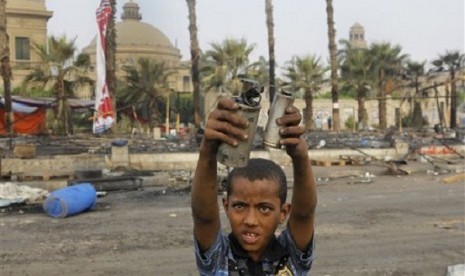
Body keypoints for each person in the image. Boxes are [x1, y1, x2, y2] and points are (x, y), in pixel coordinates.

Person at [191, 97, 317, 275]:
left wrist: (300, 155)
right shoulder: (218, 259)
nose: (250, 220)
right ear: (226, 206)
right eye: (239, 206)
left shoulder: (290, 257)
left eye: (264, 208)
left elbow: (304, 214)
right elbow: (203, 217)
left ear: (283, 213)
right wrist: (208, 148)